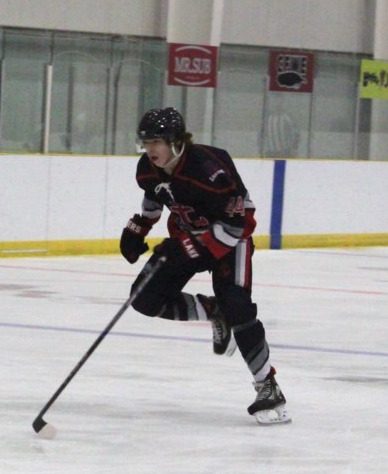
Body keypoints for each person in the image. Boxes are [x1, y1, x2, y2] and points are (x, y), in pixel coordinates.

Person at [119, 107, 289, 425]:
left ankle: (268, 387)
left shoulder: (211, 169)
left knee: (238, 307)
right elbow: (154, 197)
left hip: (231, 242)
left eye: (156, 141)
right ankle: (213, 311)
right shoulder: (147, 168)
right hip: (185, 240)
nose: (150, 149)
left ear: (174, 140)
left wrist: (190, 246)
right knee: (143, 298)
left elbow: (241, 222)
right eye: (146, 142)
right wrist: (138, 227)